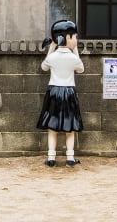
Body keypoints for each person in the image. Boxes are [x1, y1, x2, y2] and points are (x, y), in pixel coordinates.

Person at [36, 19, 84, 167]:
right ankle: (70, 158)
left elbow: (44, 67)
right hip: (68, 92)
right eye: (74, 36)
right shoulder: (72, 58)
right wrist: (75, 50)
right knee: (70, 128)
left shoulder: (52, 57)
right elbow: (81, 69)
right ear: (67, 37)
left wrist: (51, 48)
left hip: (54, 92)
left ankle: (51, 158)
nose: (75, 39)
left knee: (52, 128)